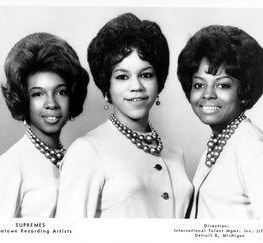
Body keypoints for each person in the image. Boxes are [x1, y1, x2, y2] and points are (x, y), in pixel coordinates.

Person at [55, 13, 193, 218]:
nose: (136, 86)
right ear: (106, 85)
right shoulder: (87, 151)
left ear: (159, 81)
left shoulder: (175, 153)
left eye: (146, 75)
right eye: (122, 77)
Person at [177, 25, 263, 219]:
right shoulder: (219, 144)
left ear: (244, 91)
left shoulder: (251, 147)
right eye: (199, 84)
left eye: (223, 85)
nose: (208, 94)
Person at [0, 32, 89, 217]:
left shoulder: (74, 158)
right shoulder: (9, 167)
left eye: (61, 92)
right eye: (38, 94)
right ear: (23, 99)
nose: (51, 103)